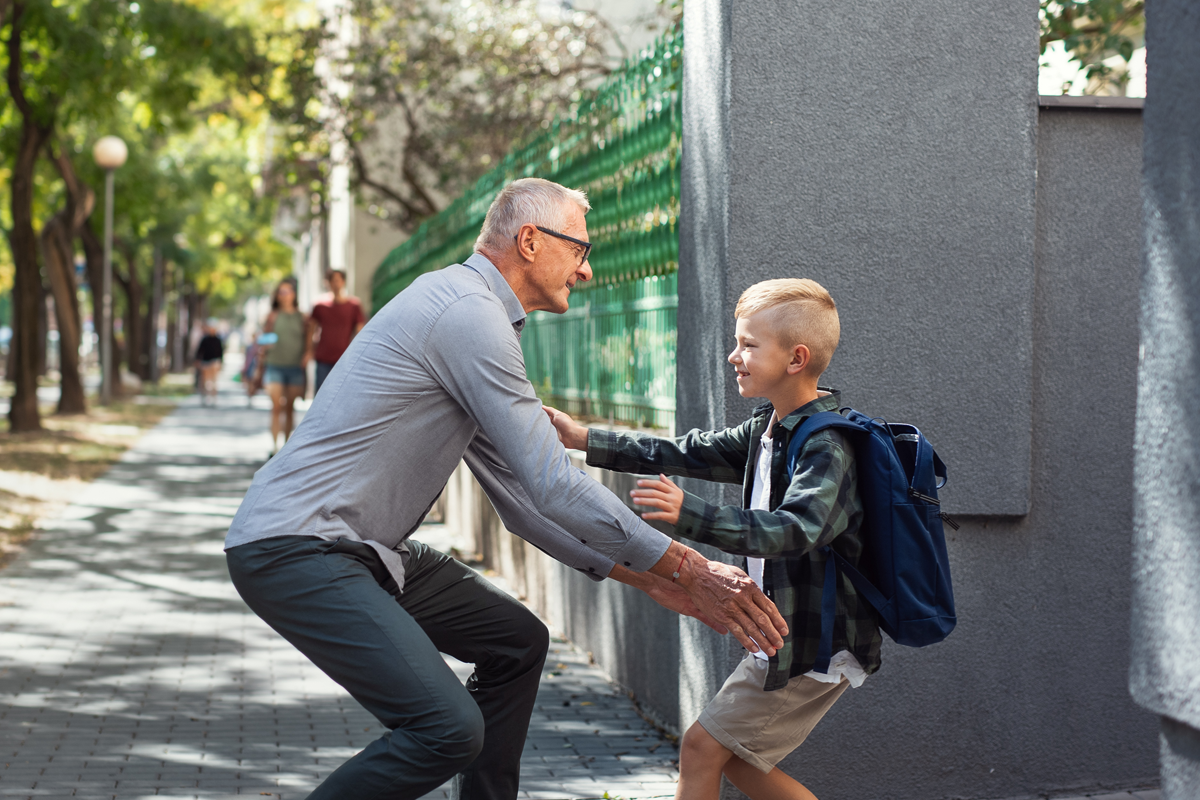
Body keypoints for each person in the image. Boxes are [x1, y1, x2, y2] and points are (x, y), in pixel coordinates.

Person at [223, 178, 788, 800]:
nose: (587, 270)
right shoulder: (467, 314)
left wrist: (652, 579)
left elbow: (524, 502)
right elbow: (553, 485)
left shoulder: (472, 312)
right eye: (580, 250)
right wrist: (688, 566)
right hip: (299, 549)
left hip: (359, 549)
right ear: (529, 241)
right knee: (444, 728)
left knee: (515, 642)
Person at [545, 278, 881, 800]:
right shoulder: (768, 429)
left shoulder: (827, 447)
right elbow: (685, 452)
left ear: (795, 359)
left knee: (701, 748)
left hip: (814, 641)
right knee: (739, 763)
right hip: (784, 635)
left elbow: (798, 528)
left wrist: (693, 516)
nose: (733, 356)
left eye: (748, 344)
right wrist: (583, 438)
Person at [256, 278, 311, 455]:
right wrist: (264, 347)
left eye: (288, 292)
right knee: (276, 407)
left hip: (294, 367)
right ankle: (273, 447)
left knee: (289, 408)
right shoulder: (272, 316)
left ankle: (286, 448)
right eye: (281, 292)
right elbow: (262, 340)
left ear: (294, 294)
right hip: (274, 366)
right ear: (277, 296)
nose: (285, 296)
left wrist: (307, 355)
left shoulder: (303, 318)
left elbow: (308, 341)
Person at [310, 269, 365, 394]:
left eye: (338, 280)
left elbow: (359, 330)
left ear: (343, 282)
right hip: (323, 357)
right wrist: (309, 350)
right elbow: (311, 329)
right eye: (332, 281)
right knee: (321, 395)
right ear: (327, 283)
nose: (335, 284)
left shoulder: (354, 305)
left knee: (343, 394)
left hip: (344, 358)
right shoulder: (320, 305)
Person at [193, 319, 224, 406]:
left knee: (214, 382)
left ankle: (213, 399)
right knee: (206, 382)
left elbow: (221, 352)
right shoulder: (205, 339)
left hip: (215, 362)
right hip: (205, 362)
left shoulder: (218, 339)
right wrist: (198, 360)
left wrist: (221, 362)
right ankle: (206, 398)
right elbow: (200, 351)